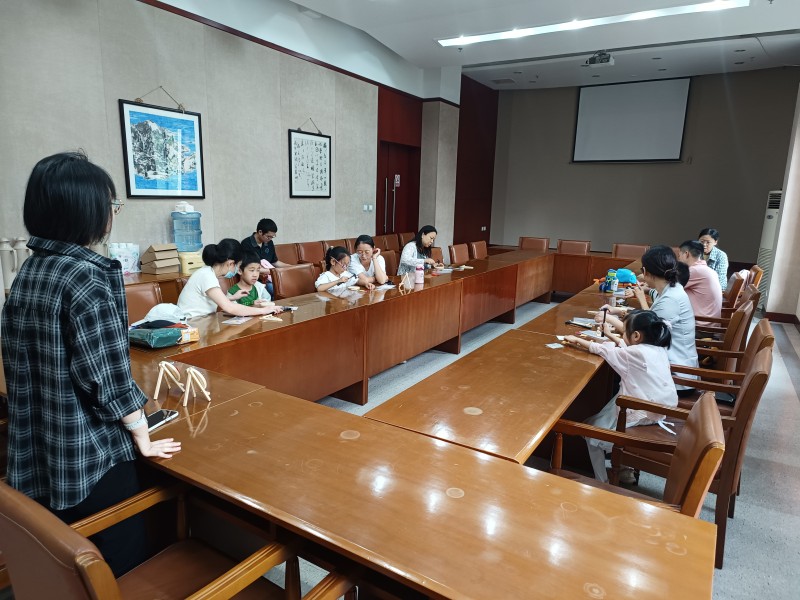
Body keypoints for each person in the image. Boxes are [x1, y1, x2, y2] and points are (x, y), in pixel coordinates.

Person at [1, 151, 181, 576]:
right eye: (110, 204)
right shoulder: (85, 276)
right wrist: (142, 433)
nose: (111, 214)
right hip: (91, 458)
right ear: (87, 210)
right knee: (121, 561)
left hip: (40, 451)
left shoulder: (29, 271)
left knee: (66, 562)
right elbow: (107, 377)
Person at [565, 310, 677, 483]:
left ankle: (602, 482)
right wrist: (610, 335)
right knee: (599, 417)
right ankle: (624, 469)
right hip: (659, 410)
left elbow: (604, 351)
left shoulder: (635, 353)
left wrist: (577, 340)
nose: (622, 334)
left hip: (642, 412)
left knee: (591, 434)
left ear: (636, 336)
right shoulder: (658, 349)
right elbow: (629, 350)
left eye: (624, 331)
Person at [596, 245, 698, 393]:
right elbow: (648, 316)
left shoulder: (670, 300)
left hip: (676, 378)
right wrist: (619, 311)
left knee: (614, 363)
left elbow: (640, 336)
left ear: (645, 272)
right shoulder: (671, 289)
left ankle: (618, 402)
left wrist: (609, 319)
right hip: (671, 367)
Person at [177, 238, 284, 319]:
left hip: (202, 320)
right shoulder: (206, 276)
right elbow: (230, 308)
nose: (236, 270)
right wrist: (264, 310)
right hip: (192, 323)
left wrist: (232, 297)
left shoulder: (208, 272)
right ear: (230, 263)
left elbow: (211, 301)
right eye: (237, 266)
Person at [241, 218, 291, 297]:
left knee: (291, 285)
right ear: (260, 232)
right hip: (257, 280)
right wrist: (272, 271)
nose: (270, 239)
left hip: (271, 276)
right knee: (278, 289)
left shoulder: (269, 242)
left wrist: (290, 267)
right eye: (268, 236)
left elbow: (275, 262)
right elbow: (248, 268)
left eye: (272, 237)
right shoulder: (246, 244)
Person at [677, 239, 722, 325]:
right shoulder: (706, 269)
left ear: (686, 254)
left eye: (679, 256)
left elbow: (669, 288)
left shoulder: (694, 271)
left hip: (701, 326)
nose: (678, 259)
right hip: (711, 324)